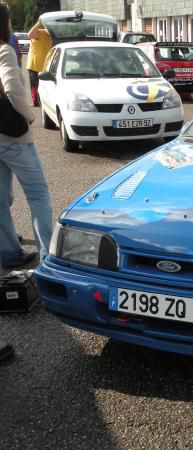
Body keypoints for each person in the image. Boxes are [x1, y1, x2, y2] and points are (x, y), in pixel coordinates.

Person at [0, 2, 53, 270]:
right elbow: (12, 88)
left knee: (0, 199)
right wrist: (29, 114)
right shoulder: (4, 51)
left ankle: (9, 254)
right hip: (13, 138)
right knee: (38, 195)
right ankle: (48, 255)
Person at [26, 16, 51, 107]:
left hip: (45, 67)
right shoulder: (41, 32)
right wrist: (39, 22)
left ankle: (43, 101)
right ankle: (36, 102)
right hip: (34, 65)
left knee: (44, 86)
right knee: (35, 85)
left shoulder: (53, 37)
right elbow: (29, 35)